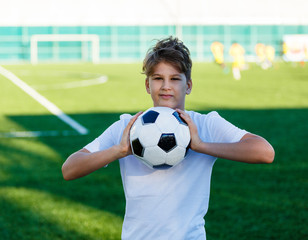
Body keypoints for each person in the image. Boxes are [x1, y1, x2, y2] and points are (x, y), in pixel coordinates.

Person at [62, 36, 275, 240]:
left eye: (174, 79)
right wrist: (119, 150)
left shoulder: (205, 124)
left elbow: (264, 152)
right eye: (158, 79)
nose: (166, 86)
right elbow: (69, 169)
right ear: (147, 85)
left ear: (188, 85)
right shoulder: (128, 127)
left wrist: (201, 146)